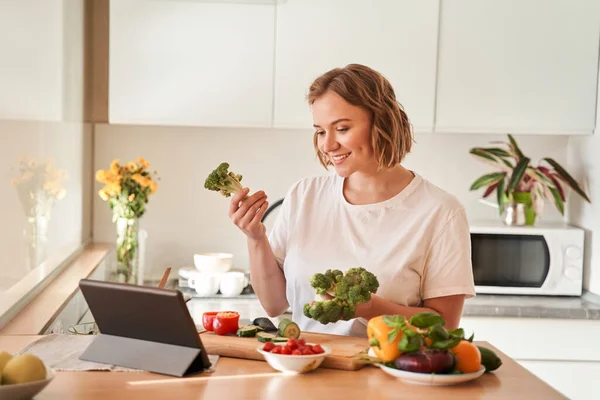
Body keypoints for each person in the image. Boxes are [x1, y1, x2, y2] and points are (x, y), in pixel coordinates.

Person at [228, 63, 475, 337]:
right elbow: (274, 304)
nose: (327, 144)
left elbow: (445, 326)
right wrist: (255, 238)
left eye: (342, 128)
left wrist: (369, 308)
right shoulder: (304, 195)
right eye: (321, 131)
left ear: (381, 122)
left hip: (388, 371)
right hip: (305, 365)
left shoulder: (440, 211)